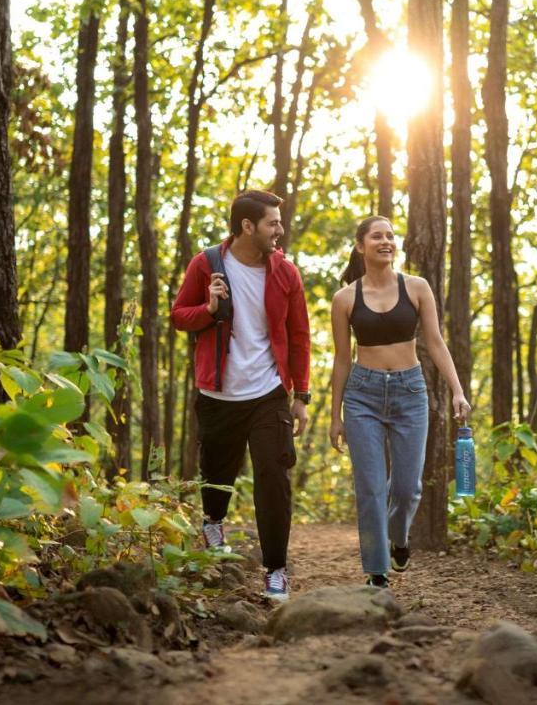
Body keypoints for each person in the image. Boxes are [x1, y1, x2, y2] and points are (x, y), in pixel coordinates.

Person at [170, 190, 310, 602]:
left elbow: (300, 337)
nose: (279, 230)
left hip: (268, 392)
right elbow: (179, 316)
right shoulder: (207, 264)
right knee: (217, 475)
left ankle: (276, 571)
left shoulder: (286, 273)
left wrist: (301, 394)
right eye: (272, 223)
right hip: (218, 392)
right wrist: (209, 310)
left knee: (274, 477)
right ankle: (213, 522)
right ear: (247, 226)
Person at [329, 216, 470, 588]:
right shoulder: (345, 299)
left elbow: (436, 342)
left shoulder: (417, 288)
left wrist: (457, 390)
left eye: (390, 236)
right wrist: (334, 416)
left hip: (410, 391)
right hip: (362, 396)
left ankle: (400, 538)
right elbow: (342, 359)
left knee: (408, 488)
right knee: (371, 488)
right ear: (361, 246)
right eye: (377, 236)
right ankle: (377, 572)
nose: (386, 241)